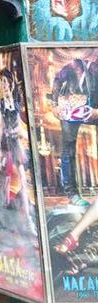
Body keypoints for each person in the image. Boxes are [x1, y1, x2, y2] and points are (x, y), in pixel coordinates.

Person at [51, 54, 98, 205]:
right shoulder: (73, 66)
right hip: (70, 109)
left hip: (92, 108)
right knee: (68, 149)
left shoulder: (93, 68)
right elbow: (57, 80)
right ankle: (72, 193)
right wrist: (54, 105)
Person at [0, 68, 34, 230]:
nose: (3, 85)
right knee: (7, 177)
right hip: (7, 142)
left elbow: (19, 122)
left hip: (16, 141)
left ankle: (26, 213)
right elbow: (0, 128)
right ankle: (6, 212)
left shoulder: (16, 102)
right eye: (1, 82)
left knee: (21, 177)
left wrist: (20, 132)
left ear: (10, 83)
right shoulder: (1, 103)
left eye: (5, 81)